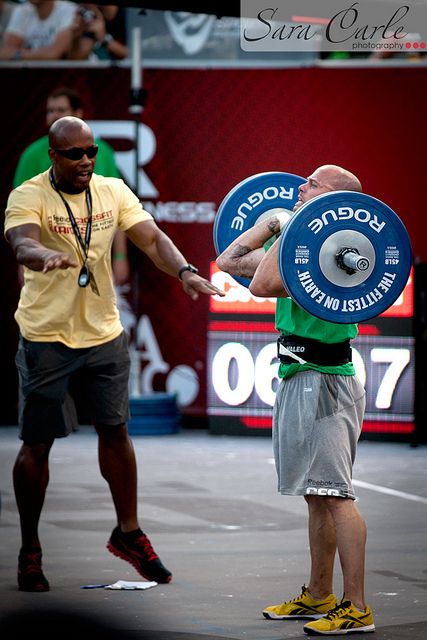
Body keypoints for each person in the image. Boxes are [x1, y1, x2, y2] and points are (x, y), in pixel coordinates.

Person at [4, 115, 224, 593]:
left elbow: (151, 239)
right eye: (75, 154)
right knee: (37, 444)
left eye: (91, 152)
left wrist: (184, 270)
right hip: (47, 336)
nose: (86, 161)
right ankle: (30, 549)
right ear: (53, 156)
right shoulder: (29, 194)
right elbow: (21, 241)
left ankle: (128, 532)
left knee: (116, 432)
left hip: (103, 334)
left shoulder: (111, 190)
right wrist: (42, 256)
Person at [216, 165, 375, 636]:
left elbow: (263, 284)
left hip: (326, 379)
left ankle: (357, 606)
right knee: (315, 494)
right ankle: (319, 594)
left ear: (335, 199)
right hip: (296, 372)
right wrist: (273, 224)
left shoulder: (335, 255)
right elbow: (230, 261)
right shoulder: (301, 248)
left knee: (336, 493)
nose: (300, 187)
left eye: (312, 183)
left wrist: (287, 224)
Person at [13, 86, 131, 292]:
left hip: (95, 260)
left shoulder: (101, 152)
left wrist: (120, 256)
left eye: (61, 110)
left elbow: (119, 209)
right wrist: (24, 262)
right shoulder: (31, 155)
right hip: (47, 262)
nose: (55, 116)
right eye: (51, 111)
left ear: (79, 114)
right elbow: (21, 217)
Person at [0, 0, 77, 60]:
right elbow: (6, 52)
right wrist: (43, 54)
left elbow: (54, 54)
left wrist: (17, 54)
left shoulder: (68, 9)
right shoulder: (21, 10)